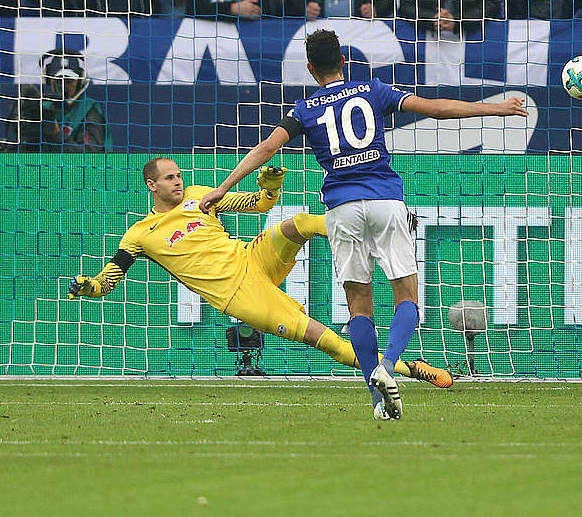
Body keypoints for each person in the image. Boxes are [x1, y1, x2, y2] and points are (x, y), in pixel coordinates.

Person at [201, 29, 525, 420]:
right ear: (343, 60)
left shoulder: (303, 109)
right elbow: (435, 109)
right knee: (407, 299)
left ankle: (376, 399)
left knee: (359, 306)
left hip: (341, 209)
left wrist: (222, 189)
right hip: (387, 202)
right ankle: (387, 366)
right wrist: (496, 108)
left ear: (309, 68)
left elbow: (269, 147)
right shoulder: (373, 89)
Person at [68, 157, 455, 388]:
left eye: (179, 175)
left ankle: (368, 229)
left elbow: (256, 205)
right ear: (151, 185)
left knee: (298, 222)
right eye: (169, 178)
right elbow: (109, 280)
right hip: (241, 297)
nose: (178, 181)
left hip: (252, 258)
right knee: (328, 340)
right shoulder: (139, 235)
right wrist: (91, 286)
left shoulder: (199, 198)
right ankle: (407, 369)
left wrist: (270, 189)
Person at [0, 48, 111, 152]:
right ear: (49, 80)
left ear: (80, 81)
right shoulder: (39, 107)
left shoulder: (89, 110)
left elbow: (91, 157)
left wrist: (57, 135)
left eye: (69, 80)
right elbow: (32, 151)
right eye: (59, 80)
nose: (64, 86)